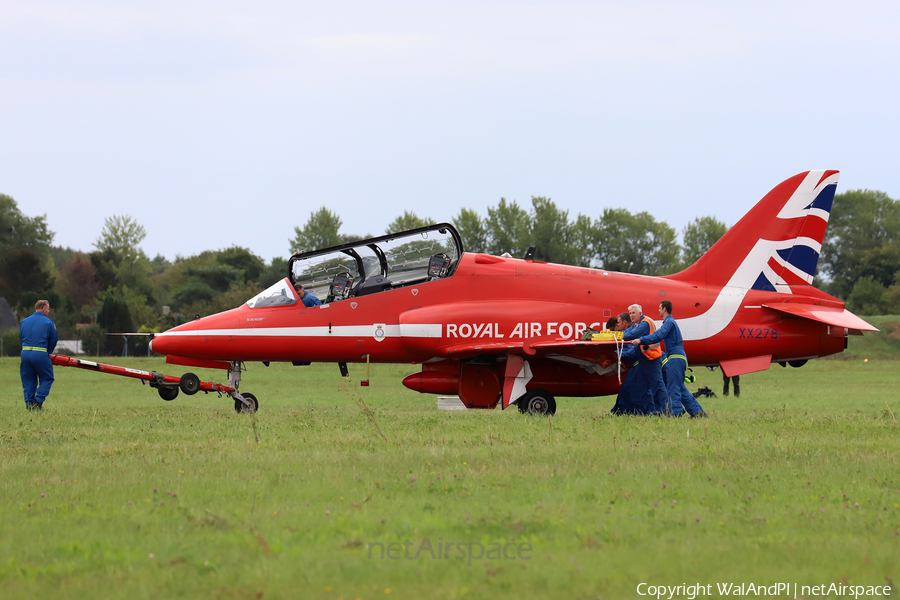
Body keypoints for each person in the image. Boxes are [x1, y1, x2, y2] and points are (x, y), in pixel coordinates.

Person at [629, 300, 707, 417]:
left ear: (664, 309)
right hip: (679, 357)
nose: (658, 310)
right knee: (680, 388)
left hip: (675, 358)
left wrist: (641, 340)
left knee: (673, 388)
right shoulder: (669, 322)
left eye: (660, 308)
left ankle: (675, 414)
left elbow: (658, 336)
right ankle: (698, 412)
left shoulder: (669, 323)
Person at [622, 304, 666, 415]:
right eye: (630, 313)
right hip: (644, 360)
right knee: (639, 385)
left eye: (633, 313)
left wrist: (616, 337)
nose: (631, 315)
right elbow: (628, 332)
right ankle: (650, 412)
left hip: (652, 359)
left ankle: (668, 410)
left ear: (640, 313)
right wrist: (616, 335)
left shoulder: (645, 323)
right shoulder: (636, 324)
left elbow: (632, 334)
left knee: (658, 386)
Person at [19, 299, 59, 411]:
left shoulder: (24, 321)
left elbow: (21, 337)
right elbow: (54, 339)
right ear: (44, 308)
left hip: (25, 352)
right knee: (47, 378)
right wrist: (48, 351)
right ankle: (38, 401)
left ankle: (28, 403)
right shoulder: (48, 323)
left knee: (28, 378)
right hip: (40, 352)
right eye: (48, 308)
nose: (48, 311)